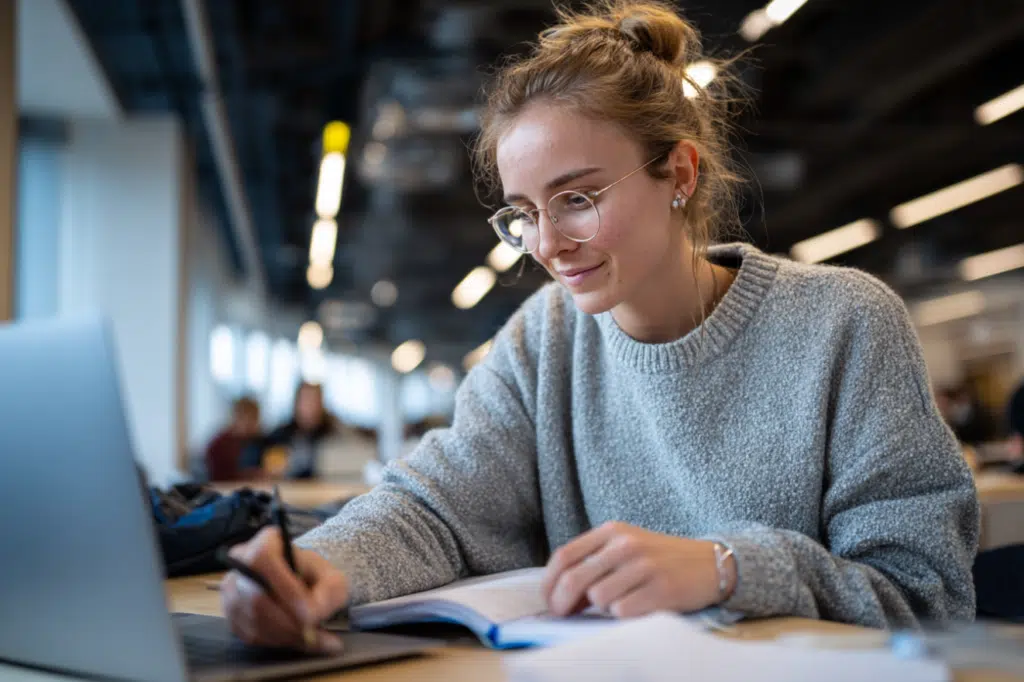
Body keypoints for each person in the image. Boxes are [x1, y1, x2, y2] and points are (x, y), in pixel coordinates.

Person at [221, 0, 978, 653]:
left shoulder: (844, 324)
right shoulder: (542, 340)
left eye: (578, 198)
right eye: (525, 214)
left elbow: (928, 594)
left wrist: (726, 568)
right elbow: (436, 508)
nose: (547, 245)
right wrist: (318, 566)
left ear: (679, 174)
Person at [253, 382, 338, 479]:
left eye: (315, 400)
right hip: (288, 485)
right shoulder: (280, 434)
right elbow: (256, 461)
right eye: (306, 399)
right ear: (296, 402)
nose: (310, 405)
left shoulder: (332, 434)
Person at [204, 397, 262, 482]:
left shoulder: (253, 440)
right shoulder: (219, 445)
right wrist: (254, 474)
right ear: (235, 417)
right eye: (247, 418)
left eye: (255, 419)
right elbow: (222, 478)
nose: (252, 424)